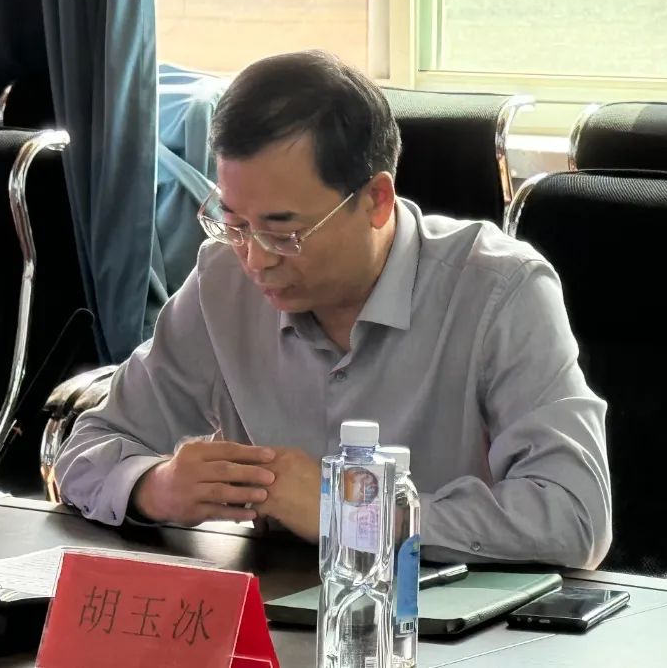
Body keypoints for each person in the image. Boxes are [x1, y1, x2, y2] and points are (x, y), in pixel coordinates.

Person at [55, 50, 611, 568]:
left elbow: (575, 516)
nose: (256, 259)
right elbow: (87, 448)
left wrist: (352, 515)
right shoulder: (223, 279)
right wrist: (154, 487)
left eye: (283, 231)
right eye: (234, 223)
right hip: (277, 608)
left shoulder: (502, 289)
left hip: (446, 615)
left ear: (376, 201)